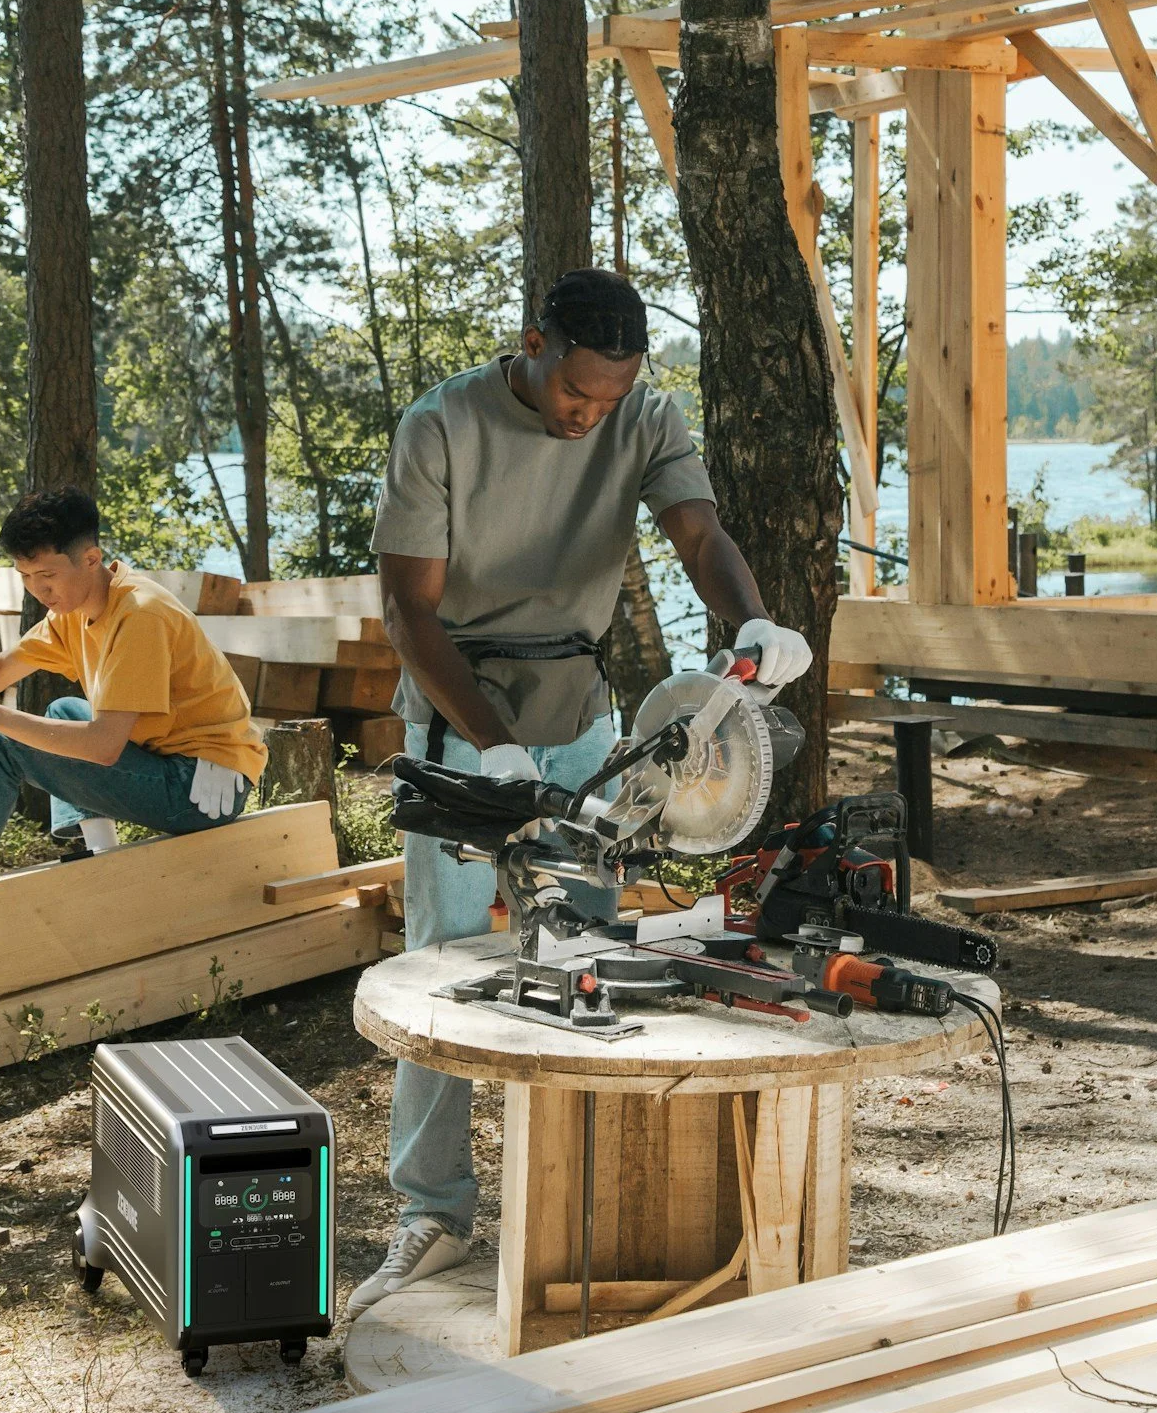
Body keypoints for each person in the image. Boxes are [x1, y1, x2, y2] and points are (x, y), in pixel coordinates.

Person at [347, 266, 812, 1313]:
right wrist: (492, 745)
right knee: (443, 958)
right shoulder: (440, 424)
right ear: (534, 343)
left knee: (592, 963)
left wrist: (749, 620)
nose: (587, 416)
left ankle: (587, 1193)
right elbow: (407, 612)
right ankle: (433, 1209)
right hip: (462, 708)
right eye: (574, 395)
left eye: (607, 400)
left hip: (583, 712)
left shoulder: (642, 415)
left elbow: (697, 531)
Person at [0, 486, 268, 889]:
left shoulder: (141, 617)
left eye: (47, 576)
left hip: (201, 789)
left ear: (91, 559)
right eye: (25, 576)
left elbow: (103, 746)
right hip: (174, 766)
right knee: (63, 709)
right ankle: (102, 859)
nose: (38, 590)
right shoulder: (74, 611)